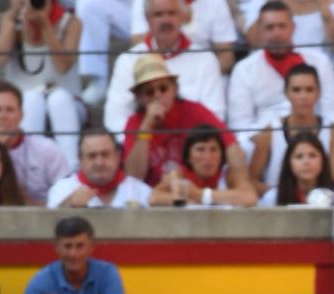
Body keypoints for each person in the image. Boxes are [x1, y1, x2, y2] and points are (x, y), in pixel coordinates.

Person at [105, 0, 228, 133]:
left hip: (190, 146)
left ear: (182, 17)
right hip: (143, 143)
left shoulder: (205, 59)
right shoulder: (128, 60)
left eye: (172, 13)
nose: (166, 20)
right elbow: (115, 118)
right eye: (158, 14)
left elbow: (215, 113)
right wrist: (139, 139)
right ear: (147, 19)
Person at [228, 2, 334, 136]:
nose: (277, 33)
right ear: (260, 31)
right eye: (270, 28)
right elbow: (240, 125)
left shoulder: (319, 62)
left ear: (293, 27)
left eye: (282, 26)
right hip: (264, 141)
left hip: (314, 138)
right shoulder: (244, 69)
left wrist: (318, 136)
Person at [123, 54, 243, 187]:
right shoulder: (134, 123)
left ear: (174, 89)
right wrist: (146, 127)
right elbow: (134, 177)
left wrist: (239, 183)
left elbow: (232, 146)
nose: (158, 95)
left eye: (163, 88)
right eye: (149, 92)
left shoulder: (194, 111)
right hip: (154, 197)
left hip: (196, 193)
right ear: (139, 97)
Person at [0, 0, 85, 165]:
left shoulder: (70, 21)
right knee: (32, 99)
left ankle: (69, 167)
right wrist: (14, 19)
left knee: (59, 99)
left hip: (67, 103)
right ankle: (29, 165)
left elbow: (63, 66)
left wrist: (46, 26)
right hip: (24, 103)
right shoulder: (12, 19)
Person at [12, 216, 130, 294]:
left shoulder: (107, 273)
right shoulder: (44, 278)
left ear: (91, 247)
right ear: (57, 248)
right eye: (67, 246)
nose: (73, 254)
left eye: (80, 246)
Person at [248, 65, 334, 195]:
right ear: (286, 93)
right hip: (280, 207)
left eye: (309, 90)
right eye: (296, 90)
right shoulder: (270, 133)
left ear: (319, 93)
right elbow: (252, 180)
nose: (303, 96)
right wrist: (281, 194)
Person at [0, 82, 72, 205]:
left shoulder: (47, 149)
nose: (3, 116)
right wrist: (0, 150)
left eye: (9, 110)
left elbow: (64, 197)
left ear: (21, 115)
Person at [151, 123, 259, 206]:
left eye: (213, 149)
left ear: (222, 155)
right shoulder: (180, 175)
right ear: (189, 157)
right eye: (200, 149)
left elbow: (250, 197)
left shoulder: (229, 174)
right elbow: (154, 198)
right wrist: (192, 203)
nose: (208, 157)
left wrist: (199, 194)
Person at [46, 128, 153, 207]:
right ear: (80, 159)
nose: (99, 162)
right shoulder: (62, 190)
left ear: (118, 156)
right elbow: (49, 226)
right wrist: (68, 205)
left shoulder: (141, 191)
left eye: (105, 154)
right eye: (92, 156)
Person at [259, 132, 334, 205]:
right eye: (299, 157)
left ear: (323, 160)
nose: (306, 162)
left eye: (312, 155)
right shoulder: (273, 197)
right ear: (289, 163)